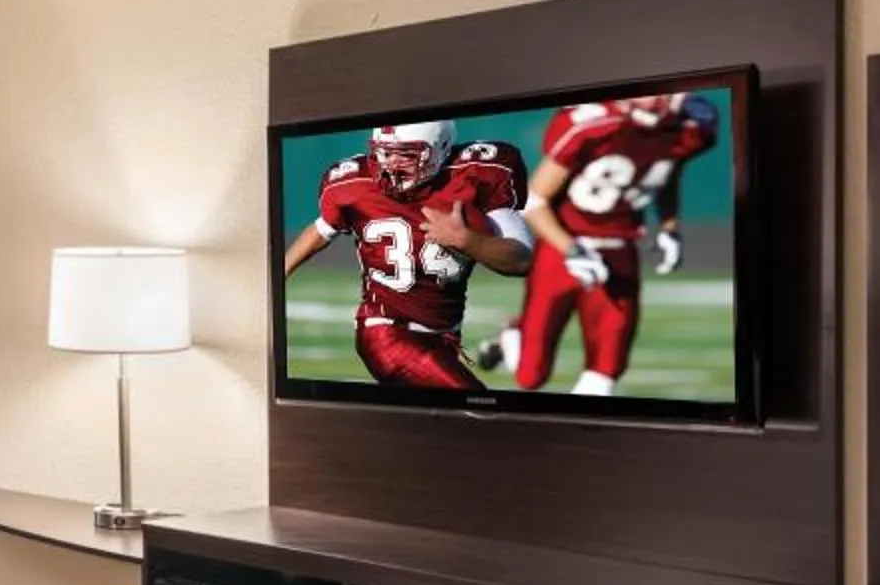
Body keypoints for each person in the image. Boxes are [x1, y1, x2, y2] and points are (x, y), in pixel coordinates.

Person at [476, 93, 718, 395]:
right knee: (531, 377)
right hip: (562, 247)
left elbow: (665, 171)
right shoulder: (591, 125)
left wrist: (670, 226)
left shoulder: (691, 125)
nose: (656, 100)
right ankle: (514, 334)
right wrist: (572, 250)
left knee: (607, 370)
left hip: (620, 249)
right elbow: (534, 200)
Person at [282, 120, 533, 390]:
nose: (390, 164)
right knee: (477, 411)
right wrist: (276, 276)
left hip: (444, 336)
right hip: (385, 333)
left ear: (441, 149)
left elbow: (521, 260)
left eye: (406, 154)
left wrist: (466, 241)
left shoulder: (478, 175)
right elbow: (322, 230)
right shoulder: (353, 184)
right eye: (384, 153)